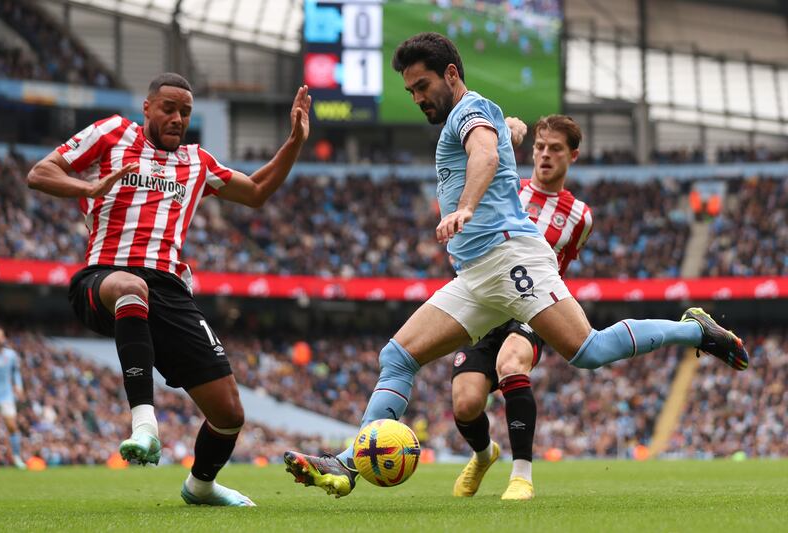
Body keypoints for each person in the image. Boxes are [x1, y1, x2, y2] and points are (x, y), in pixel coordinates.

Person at [283, 32, 747, 499]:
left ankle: (695, 330)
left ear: (450, 75)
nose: (417, 98)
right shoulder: (473, 116)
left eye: (422, 86)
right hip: (477, 275)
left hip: (510, 257)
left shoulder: (468, 110)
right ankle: (346, 465)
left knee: (589, 351)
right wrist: (511, 132)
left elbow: (483, 155)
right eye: (410, 91)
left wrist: (465, 206)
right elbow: (494, 144)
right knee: (397, 356)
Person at [27, 73, 311, 506]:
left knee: (229, 414)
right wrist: (87, 186)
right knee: (132, 286)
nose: (178, 118)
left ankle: (200, 486)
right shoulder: (112, 133)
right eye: (169, 109)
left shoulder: (198, 162)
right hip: (105, 277)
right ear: (147, 108)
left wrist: (294, 142)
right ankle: (144, 424)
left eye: (186, 112)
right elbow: (40, 172)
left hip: (173, 293)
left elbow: (255, 191)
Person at [450, 115, 592, 501]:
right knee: (465, 404)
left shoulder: (579, 217)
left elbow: (560, 266)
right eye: (540, 147)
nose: (545, 155)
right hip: (487, 304)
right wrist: (502, 129)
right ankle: (483, 455)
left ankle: (521, 476)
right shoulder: (509, 189)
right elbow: (481, 161)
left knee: (511, 363)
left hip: (531, 309)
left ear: (572, 156)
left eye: (556, 149)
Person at [0, 326, 26, 469]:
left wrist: (19, 386)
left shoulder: (10, 355)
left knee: (12, 426)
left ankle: (16, 457)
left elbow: (15, 372)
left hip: (6, 396)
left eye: (0, 335)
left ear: (4, 338)